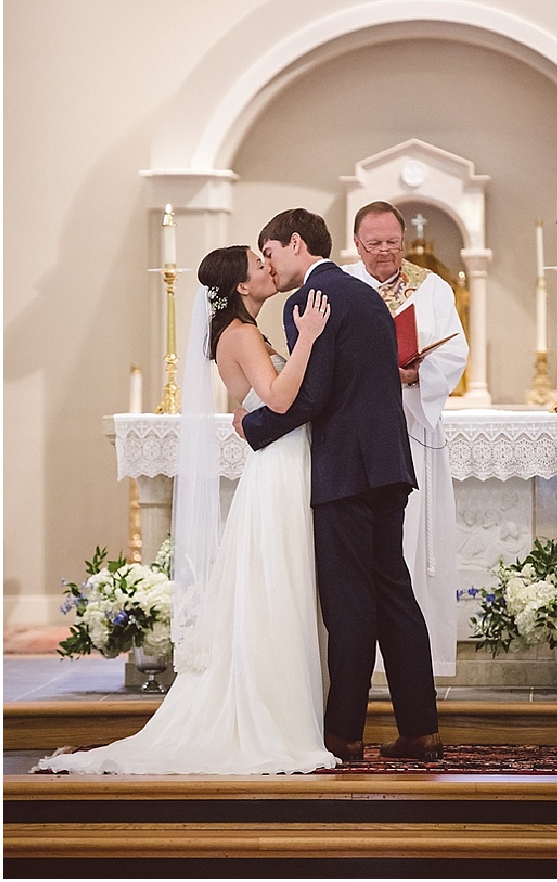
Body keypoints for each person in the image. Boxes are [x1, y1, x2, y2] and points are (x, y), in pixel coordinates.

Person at [36, 244, 338, 775]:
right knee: (277, 584)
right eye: (258, 263)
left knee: (279, 584)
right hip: (277, 470)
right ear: (242, 285)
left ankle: (291, 711)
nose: (269, 267)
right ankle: (275, 720)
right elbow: (281, 399)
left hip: (282, 462)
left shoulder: (243, 331)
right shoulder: (241, 335)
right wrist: (310, 339)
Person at [234, 207, 442, 762]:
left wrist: (252, 424)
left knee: (348, 602)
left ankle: (343, 732)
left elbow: (312, 395)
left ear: (296, 243)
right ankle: (420, 729)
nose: (270, 268)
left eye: (271, 253)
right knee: (394, 594)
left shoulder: (313, 300)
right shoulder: (366, 293)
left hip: (345, 471)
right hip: (387, 464)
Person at [343, 201, 469, 676]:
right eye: (373, 243)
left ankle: (417, 656)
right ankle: (361, 658)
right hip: (356, 432)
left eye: (392, 242)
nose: (384, 252)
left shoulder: (430, 288)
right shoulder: (344, 287)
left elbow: (454, 351)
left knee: (410, 544)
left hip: (412, 427)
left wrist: (415, 377)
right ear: (357, 245)